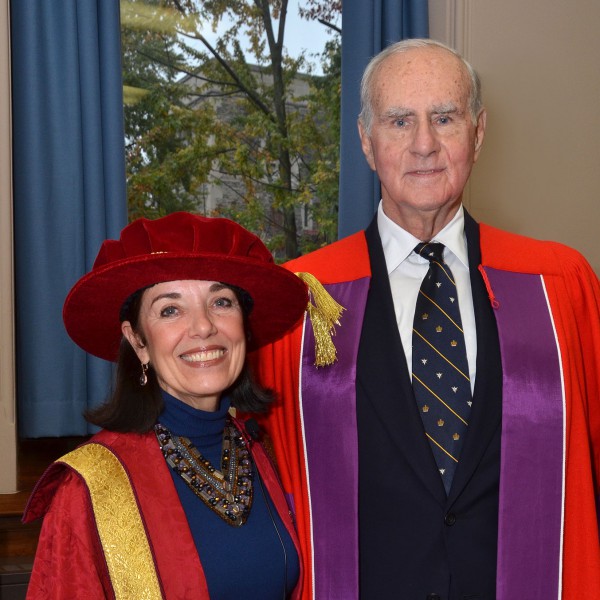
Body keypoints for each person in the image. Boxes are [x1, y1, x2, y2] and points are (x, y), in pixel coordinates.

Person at [251, 39, 600, 599]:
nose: (424, 144)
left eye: (445, 117)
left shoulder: (559, 285)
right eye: (398, 121)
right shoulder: (301, 301)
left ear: (478, 133)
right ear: (366, 141)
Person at [23, 212, 309, 599]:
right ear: (138, 341)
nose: (204, 326)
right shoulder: (91, 487)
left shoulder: (261, 450)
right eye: (170, 310)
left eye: (221, 301)